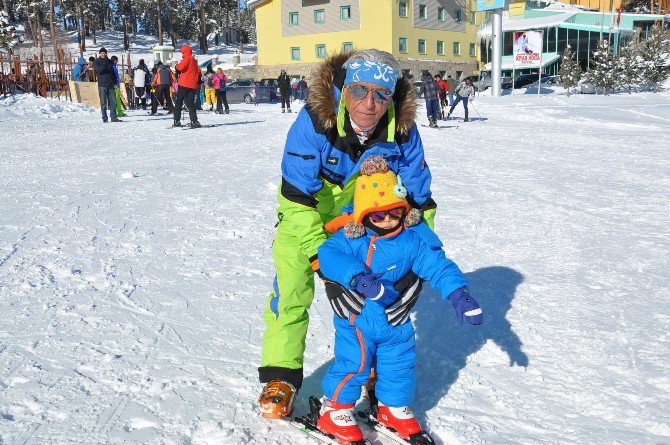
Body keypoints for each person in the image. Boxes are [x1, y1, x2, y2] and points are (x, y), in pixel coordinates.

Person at [257, 49, 438, 419]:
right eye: (359, 91)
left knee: (379, 287)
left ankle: (373, 373)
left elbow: (421, 202)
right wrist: (326, 266)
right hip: (304, 212)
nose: (369, 104)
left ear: (393, 98)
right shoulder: (313, 121)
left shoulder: (403, 133)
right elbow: (297, 197)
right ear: (343, 89)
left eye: (381, 94)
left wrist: (418, 263)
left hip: (361, 216)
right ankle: (281, 376)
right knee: (291, 290)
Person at [313, 156, 482, 444]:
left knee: (400, 363)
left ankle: (391, 408)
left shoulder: (412, 238)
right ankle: (335, 409)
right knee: (354, 364)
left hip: (396, 318)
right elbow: (328, 255)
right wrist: (357, 277)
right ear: (365, 214)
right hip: (359, 317)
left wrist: (458, 293)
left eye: (395, 213)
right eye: (378, 215)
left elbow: (437, 264)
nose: (388, 220)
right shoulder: (352, 237)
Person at [172, 45, 202, 128]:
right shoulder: (194, 60)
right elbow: (198, 71)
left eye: (182, 52)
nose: (181, 53)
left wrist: (176, 66)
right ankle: (194, 121)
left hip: (184, 83)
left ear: (185, 51)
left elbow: (180, 67)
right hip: (192, 85)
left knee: (179, 102)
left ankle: (177, 120)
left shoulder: (187, 59)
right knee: (190, 103)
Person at [93, 48, 120, 123]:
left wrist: (115, 82)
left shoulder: (110, 61)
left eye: (104, 53)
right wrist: (105, 63)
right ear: (99, 54)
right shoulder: (96, 62)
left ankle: (114, 117)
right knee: (103, 102)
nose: (103, 54)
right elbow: (99, 71)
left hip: (111, 84)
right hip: (102, 84)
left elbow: (113, 72)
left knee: (113, 102)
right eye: (102, 53)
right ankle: (105, 118)